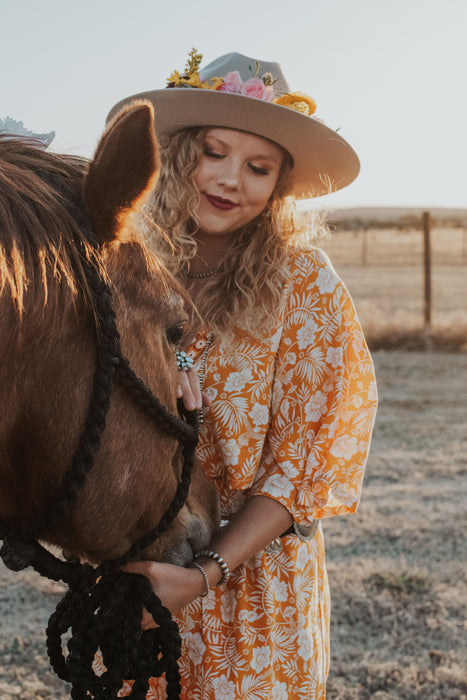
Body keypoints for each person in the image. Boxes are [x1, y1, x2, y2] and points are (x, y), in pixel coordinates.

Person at [107, 50, 378, 699]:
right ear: (176, 155)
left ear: (279, 184)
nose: (231, 179)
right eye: (214, 153)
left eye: (258, 168)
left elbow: (304, 464)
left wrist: (201, 577)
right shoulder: (123, 266)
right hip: (140, 577)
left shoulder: (301, 285)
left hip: (253, 589)